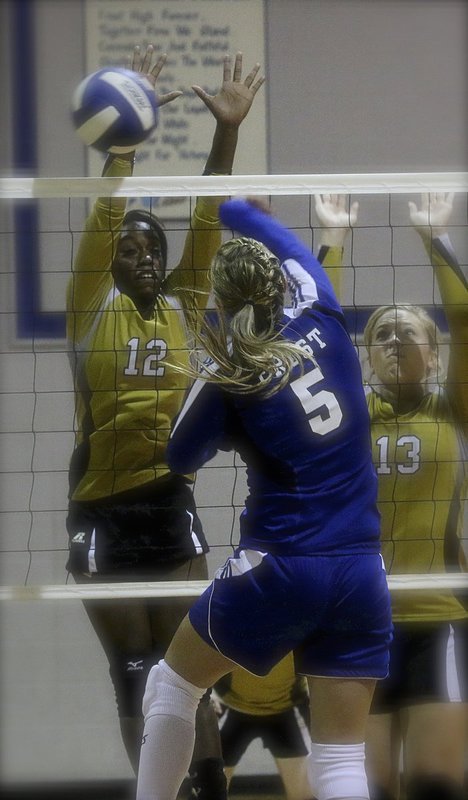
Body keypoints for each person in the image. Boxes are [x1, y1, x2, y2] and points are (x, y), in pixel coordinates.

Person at [136, 196, 393, 800]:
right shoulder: (326, 319)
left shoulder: (231, 374)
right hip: (361, 572)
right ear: (280, 283)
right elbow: (294, 247)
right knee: (339, 760)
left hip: (282, 566)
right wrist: (234, 205)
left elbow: (178, 456)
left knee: (171, 686)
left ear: (219, 305)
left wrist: (217, 370)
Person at [65, 44, 264, 799]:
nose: (143, 253)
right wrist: (125, 146)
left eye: (154, 245)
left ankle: (210, 786)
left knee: (187, 659)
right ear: (112, 260)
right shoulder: (93, 307)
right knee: (134, 667)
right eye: (130, 246)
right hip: (99, 506)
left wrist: (228, 134)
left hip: (168, 498)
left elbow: (209, 211)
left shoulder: (185, 306)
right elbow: (107, 213)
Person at [314, 192, 468, 800]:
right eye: (381, 334)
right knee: (369, 788)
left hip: (438, 620)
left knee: (436, 784)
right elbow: (316, 339)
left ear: (433, 356)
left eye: (409, 333)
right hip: (355, 619)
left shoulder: (453, 410)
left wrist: (435, 236)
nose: (394, 340)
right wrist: (333, 241)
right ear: (369, 356)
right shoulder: (347, 415)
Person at [214, 654, 314, 800]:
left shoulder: (299, 633)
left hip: (286, 709)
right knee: (211, 788)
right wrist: (208, 692)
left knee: (303, 795)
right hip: (232, 706)